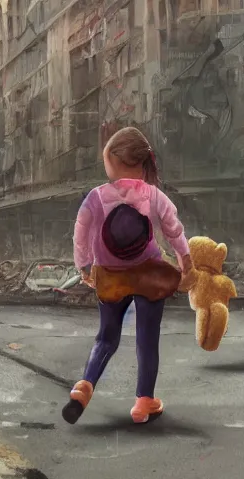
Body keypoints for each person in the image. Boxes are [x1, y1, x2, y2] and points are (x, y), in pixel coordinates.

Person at [64, 127, 193, 425]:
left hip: (110, 277)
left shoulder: (96, 197)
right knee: (147, 341)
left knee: (106, 337)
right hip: (149, 275)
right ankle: (143, 402)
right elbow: (174, 230)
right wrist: (186, 261)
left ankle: (84, 386)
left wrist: (83, 265)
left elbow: (80, 231)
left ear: (114, 161)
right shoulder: (153, 195)